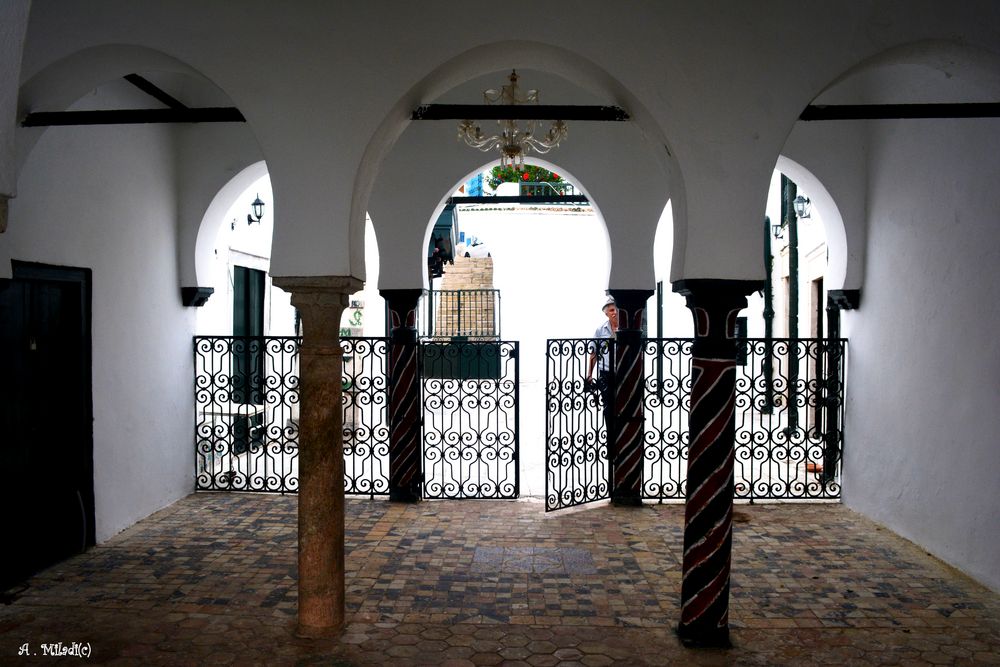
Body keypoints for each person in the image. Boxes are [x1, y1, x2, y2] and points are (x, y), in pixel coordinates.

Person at [586, 297, 618, 432]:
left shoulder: (626, 328)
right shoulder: (600, 330)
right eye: (611, 310)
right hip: (605, 373)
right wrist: (589, 374)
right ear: (606, 313)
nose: (615, 312)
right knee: (608, 407)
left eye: (616, 309)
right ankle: (611, 436)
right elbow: (593, 353)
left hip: (623, 371)